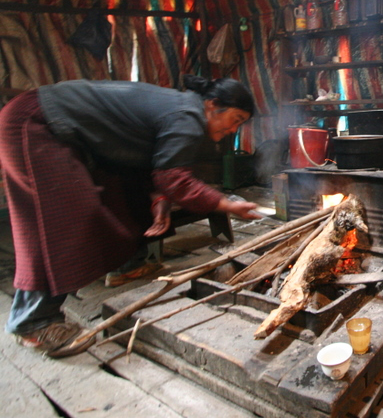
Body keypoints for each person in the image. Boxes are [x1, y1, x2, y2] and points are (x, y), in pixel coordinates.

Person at [0, 75, 262, 357]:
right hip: (35, 124)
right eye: (235, 119)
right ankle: (33, 322)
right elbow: (173, 178)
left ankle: (127, 267)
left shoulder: (183, 111)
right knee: (64, 222)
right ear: (212, 104)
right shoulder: (186, 115)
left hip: (53, 129)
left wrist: (159, 200)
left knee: (126, 200)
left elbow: (152, 163)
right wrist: (225, 204)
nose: (233, 129)